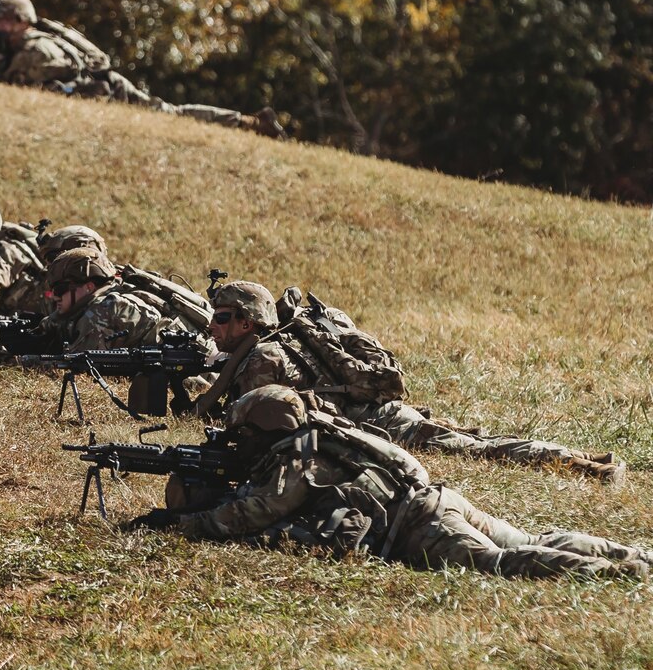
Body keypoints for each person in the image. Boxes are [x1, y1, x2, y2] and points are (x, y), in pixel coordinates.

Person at [131, 385, 651, 580]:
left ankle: (620, 572)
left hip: (418, 524)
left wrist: (181, 525)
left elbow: (256, 512)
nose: (234, 440)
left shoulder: (296, 456)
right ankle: (635, 553)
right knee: (533, 539)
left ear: (262, 432)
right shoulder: (326, 434)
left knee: (500, 563)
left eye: (240, 433)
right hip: (438, 499)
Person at [193, 280, 626, 482]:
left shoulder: (260, 360)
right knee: (477, 442)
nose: (213, 325)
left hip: (378, 422)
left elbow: (261, 423)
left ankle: (586, 467)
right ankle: (582, 456)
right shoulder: (286, 340)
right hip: (376, 411)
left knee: (481, 449)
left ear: (247, 322)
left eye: (222, 317)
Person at [0, 0, 287, 139]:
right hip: (103, 87)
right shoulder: (25, 44)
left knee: (171, 115)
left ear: (20, 21)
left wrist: (2, 65)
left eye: (2, 20)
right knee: (171, 113)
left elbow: (30, 79)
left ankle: (249, 124)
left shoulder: (35, 46)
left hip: (108, 91)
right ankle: (249, 123)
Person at [44, 248, 212, 353]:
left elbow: (76, 362)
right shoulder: (111, 292)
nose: (55, 296)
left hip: (200, 368)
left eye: (60, 289)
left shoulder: (104, 308)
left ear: (88, 287)